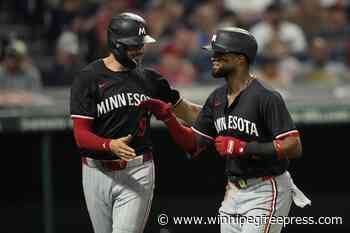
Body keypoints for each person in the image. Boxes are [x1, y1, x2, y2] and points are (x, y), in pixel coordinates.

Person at [140, 27, 311, 233]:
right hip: (233, 191)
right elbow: (193, 144)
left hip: (267, 186)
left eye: (219, 53)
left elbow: (294, 146)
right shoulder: (217, 98)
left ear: (240, 59)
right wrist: (169, 116)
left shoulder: (266, 97)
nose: (213, 57)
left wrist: (244, 148)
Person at [69, 12, 201, 233]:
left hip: (137, 170)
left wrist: (223, 116)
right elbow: (81, 135)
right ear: (115, 43)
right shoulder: (88, 78)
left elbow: (186, 111)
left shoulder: (150, 79)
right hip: (95, 171)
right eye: (133, 45)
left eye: (141, 44)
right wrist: (109, 145)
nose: (140, 50)